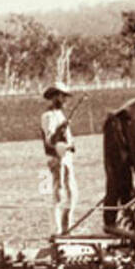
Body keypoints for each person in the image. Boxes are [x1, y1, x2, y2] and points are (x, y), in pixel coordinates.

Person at [40, 85, 77, 233]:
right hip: (55, 159)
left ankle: (66, 228)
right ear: (54, 97)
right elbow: (50, 140)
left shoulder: (60, 115)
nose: (65, 100)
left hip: (66, 159)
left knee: (72, 194)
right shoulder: (47, 116)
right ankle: (56, 230)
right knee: (57, 195)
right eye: (62, 96)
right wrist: (60, 132)